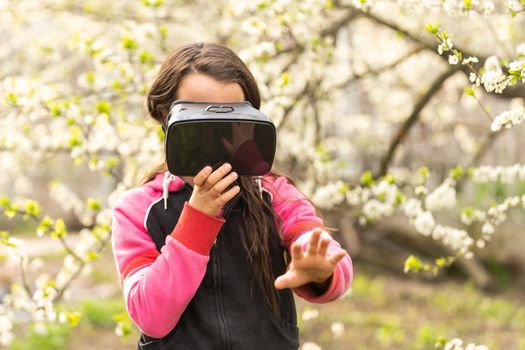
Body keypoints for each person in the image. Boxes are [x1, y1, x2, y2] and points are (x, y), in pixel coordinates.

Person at [111, 42, 353, 350]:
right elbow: (151, 316)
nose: (216, 139)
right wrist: (197, 219)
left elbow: (324, 252)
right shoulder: (138, 209)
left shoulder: (274, 193)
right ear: (164, 118)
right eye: (197, 122)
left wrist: (321, 270)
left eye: (230, 121)